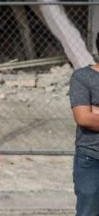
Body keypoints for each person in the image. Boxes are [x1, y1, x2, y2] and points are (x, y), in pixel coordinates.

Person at [69, 33, 99, 216]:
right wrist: (89, 113)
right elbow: (83, 118)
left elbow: (90, 115)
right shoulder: (82, 77)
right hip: (91, 159)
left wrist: (95, 110)